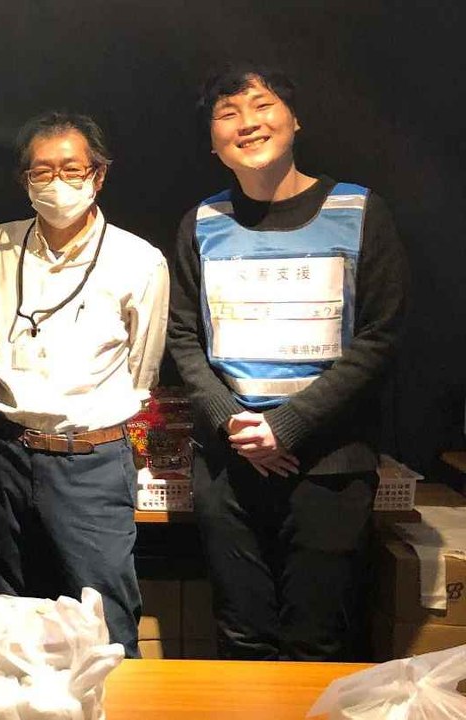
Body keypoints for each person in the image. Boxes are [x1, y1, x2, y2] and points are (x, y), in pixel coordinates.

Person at [168, 63, 408, 661]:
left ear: (295, 119)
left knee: (318, 642)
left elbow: (379, 336)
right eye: (228, 114)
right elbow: (183, 337)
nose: (247, 123)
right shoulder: (202, 223)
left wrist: (288, 425)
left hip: (329, 465)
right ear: (213, 142)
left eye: (262, 105)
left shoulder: (360, 211)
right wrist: (231, 420)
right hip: (230, 464)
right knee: (240, 636)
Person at [0, 112, 168, 658]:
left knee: (104, 626)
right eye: (42, 171)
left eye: (71, 169)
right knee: (15, 623)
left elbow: (143, 368)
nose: (56, 183)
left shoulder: (139, 260)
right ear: (24, 179)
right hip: (8, 455)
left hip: (90, 461)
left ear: (98, 175)